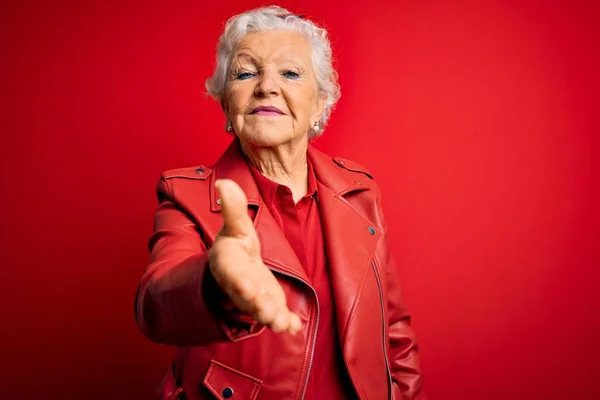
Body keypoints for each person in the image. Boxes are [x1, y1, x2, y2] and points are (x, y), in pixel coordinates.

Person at [135, 5, 425, 399]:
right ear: (225, 104)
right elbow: (155, 305)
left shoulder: (361, 191)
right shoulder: (183, 193)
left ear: (320, 104)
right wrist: (214, 282)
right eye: (245, 72)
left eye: (289, 73)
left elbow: (393, 334)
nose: (266, 86)